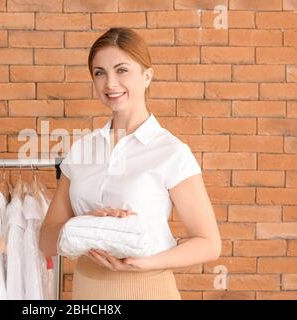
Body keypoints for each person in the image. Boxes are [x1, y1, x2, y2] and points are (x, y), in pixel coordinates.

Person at [39, 27, 221, 300]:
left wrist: (145, 263)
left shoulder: (171, 152)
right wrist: (87, 224)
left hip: (147, 289)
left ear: (147, 75)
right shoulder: (81, 150)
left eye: (122, 70)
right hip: (87, 292)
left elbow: (209, 244)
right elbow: (45, 241)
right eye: (100, 73)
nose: (110, 83)